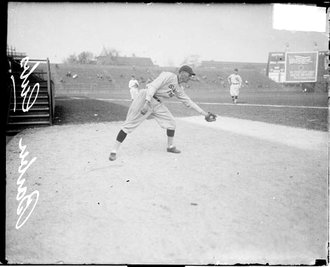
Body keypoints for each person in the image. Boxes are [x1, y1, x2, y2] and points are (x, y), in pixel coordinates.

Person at [109, 65, 216, 161]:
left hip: (157, 104)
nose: (190, 77)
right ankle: (114, 150)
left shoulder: (179, 88)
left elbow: (188, 101)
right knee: (129, 125)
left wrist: (204, 114)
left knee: (171, 123)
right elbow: (153, 86)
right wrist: (146, 102)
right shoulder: (169, 76)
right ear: (182, 73)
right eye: (189, 75)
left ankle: (170, 147)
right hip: (146, 98)